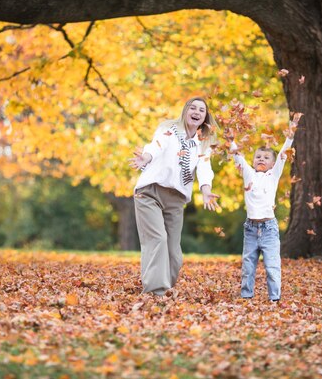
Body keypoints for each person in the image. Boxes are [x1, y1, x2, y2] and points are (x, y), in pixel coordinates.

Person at [129, 97, 220, 297]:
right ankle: (155, 292)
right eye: (192, 108)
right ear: (185, 111)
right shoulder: (169, 130)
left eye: (201, 110)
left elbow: (205, 168)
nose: (196, 111)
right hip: (150, 192)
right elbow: (157, 145)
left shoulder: (202, 145)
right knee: (157, 239)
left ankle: (165, 287)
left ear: (205, 118)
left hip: (176, 200)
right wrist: (146, 157)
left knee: (173, 254)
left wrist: (206, 190)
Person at [230, 117, 300, 301]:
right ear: (253, 162)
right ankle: (246, 296)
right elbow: (238, 156)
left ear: (271, 163)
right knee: (248, 265)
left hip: (269, 229)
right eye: (258, 157)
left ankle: (274, 298)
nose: (261, 159)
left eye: (266, 157)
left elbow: (284, 154)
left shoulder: (273, 175)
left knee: (272, 266)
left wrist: (290, 134)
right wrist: (231, 141)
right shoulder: (249, 175)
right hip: (251, 229)